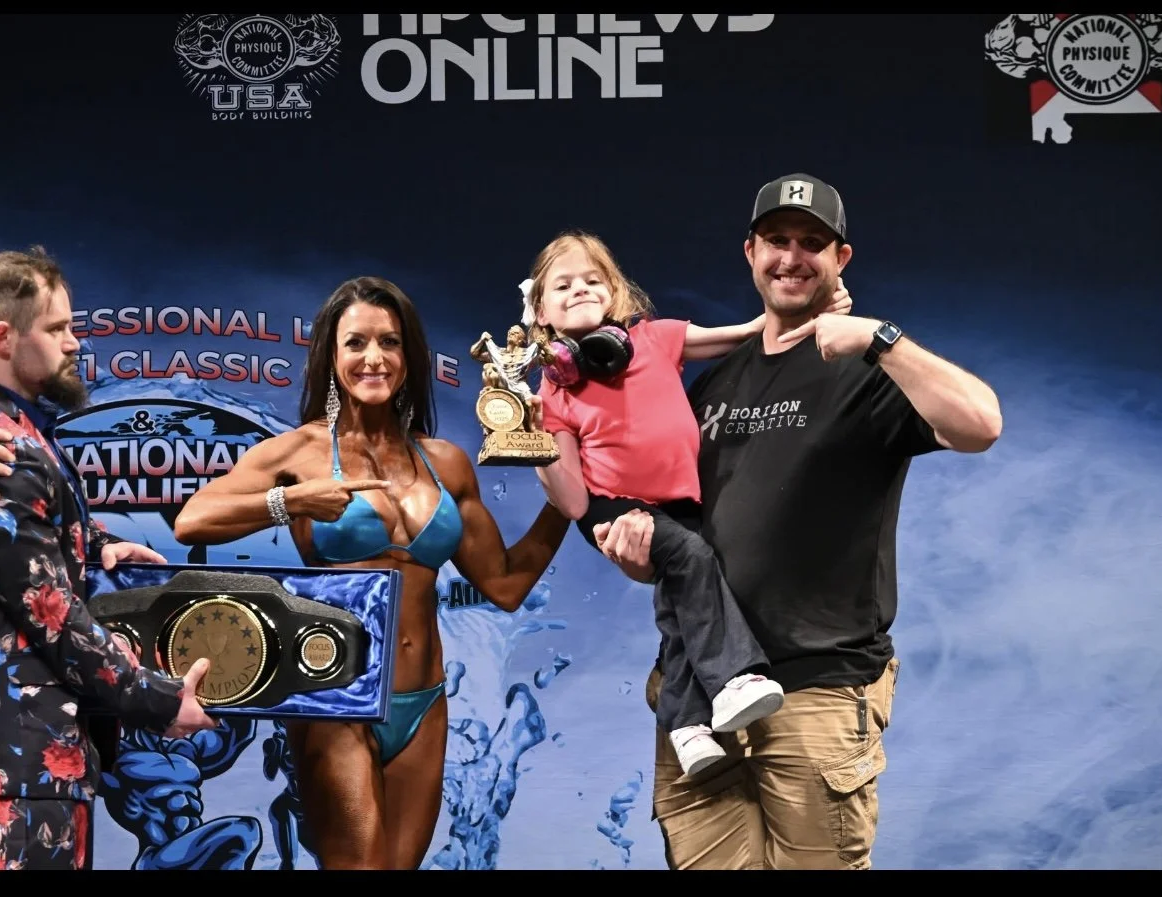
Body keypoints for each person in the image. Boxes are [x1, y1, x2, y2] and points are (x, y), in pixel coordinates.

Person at [593, 173, 1004, 870]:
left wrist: (880, 338)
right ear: (750, 252)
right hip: (702, 698)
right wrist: (636, 551)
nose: (792, 256)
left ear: (840, 259)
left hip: (816, 692)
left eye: (812, 242)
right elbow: (679, 529)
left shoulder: (870, 370)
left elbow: (982, 424)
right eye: (777, 240)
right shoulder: (713, 385)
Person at [172, 275, 571, 870]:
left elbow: (506, 585)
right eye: (355, 343)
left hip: (425, 701)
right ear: (332, 358)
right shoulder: (299, 453)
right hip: (338, 698)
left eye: (388, 342)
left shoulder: (446, 463)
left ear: (408, 357)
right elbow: (191, 521)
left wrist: (572, 496)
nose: (373, 358)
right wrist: (295, 502)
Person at [522, 231, 855, 777]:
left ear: (613, 292)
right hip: (615, 507)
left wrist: (817, 310)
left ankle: (686, 724)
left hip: (678, 501)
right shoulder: (553, 395)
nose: (579, 289)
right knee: (696, 561)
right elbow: (573, 499)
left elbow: (750, 334)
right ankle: (733, 680)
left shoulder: (655, 338)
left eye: (592, 280)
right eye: (563, 285)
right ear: (539, 309)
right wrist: (535, 440)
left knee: (682, 608)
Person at [0, 247, 214, 871]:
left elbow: (20, 542)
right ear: (4, 338)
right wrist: (160, 701)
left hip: (22, 753)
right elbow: (51, 614)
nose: (75, 342)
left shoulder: (5, 429)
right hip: (27, 753)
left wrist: (96, 545)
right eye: (58, 328)